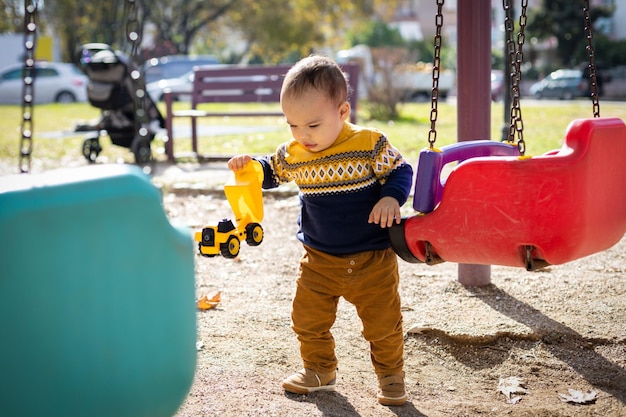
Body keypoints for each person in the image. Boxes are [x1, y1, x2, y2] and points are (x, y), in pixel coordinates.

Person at [228, 55, 413, 406]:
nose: (303, 135)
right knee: (307, 318)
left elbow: (401, 170)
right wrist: (249, 166)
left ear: (342, 112)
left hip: (371, 259)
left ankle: (390, 375)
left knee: (383, 325)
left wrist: (391, 197)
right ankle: (319, 369)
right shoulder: (295, 153)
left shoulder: (369, 142)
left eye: (312, 125)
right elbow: (270, 171)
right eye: (293, 126)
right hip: (319, 258)